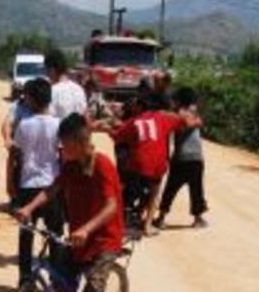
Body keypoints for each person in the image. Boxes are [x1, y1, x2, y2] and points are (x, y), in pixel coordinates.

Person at [15, 113, 123, 292]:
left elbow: (111, 206)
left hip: (103, 239)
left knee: (96, 291)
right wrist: (29, 207)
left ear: (81, 141)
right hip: (77, 238)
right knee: (61, 284)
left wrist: (86, 229)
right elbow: (52, 189)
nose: (61, 149)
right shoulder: (71, 166)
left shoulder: (103, 165)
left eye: (65, 144)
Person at [102, 95, 202, 236]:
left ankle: (122, 218)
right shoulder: (165, 118)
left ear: (140, 107)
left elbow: (118, 137)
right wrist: (192, 118)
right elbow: (190, 121)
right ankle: (147, 226)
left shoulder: (134, 121)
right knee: (154, 192)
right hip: (158, 165)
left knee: (126, 184)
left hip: (137, 165)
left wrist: (107, 130)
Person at [11, 78, 64, 288]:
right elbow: (62, 156)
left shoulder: (23, 125)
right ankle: (56, 279)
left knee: (26, 235)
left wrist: (10, 184)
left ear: (31, 99)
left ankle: (25, 280)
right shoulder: (58, 124)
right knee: (55, 235)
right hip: (51, 187)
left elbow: (16, 156)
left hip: (28, 185)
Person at [153, 87, 209, 229]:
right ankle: (198, 219)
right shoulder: (191, 113)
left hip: (181, 157)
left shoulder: (177, 113)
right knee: (196, 189)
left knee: (171, 188)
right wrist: (195, 120)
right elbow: (197, 122)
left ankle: (161, 218)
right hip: (195, 157)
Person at [2, 92, 35, 200]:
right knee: (14, 162)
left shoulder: (42, 106)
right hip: (19, 142)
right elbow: (7, 123)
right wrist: (8, 138)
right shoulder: (17, 105)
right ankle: (12, 192)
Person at [45, 50, 88, 121]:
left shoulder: (52, 91)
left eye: (46, 69)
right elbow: (85, 114)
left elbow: (48, 117)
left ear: (52, 69)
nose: (46, 74)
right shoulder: (79, 89)